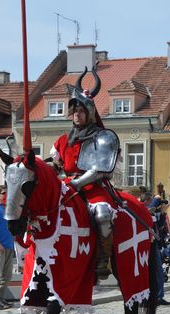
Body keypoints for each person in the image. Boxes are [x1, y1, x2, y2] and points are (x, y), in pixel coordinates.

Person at [49, 68, 120, 280]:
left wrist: (77, 184)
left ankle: (102, 258)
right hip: (66, 184)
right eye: (75, 111)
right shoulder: (62, 140)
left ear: (89, 113)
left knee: (102, 214)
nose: (77, 115)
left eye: (81, 111)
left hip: (92, 187)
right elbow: (56, 164)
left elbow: (100, 169)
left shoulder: (102, 137)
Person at [148, 195, 170, 305]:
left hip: (156, 245)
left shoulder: (156, 214)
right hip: (150, 246)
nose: (163, 205)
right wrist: (157, 198)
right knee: (157, 273)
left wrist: (163, 212)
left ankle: (159, 296)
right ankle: (155, 296)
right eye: (160, 203)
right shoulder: (149, 212)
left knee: (159, 273)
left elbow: (160, 226)